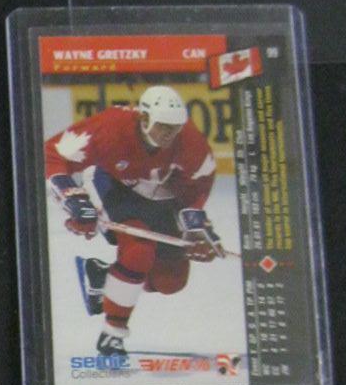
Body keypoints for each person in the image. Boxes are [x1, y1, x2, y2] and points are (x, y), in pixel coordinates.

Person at [44, 85, 224, 357]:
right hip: (112, 185)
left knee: (171, 280)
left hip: (160, 198)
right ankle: (113, 334)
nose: (169, 134)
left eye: (175, 128)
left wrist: (195, 224)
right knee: (139, 252)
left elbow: (197, 186)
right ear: (144, 118)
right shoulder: (111, 127)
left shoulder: (190, 141)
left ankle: (104, 277)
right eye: (162, 126)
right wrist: (73, 199)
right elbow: (53, 153)